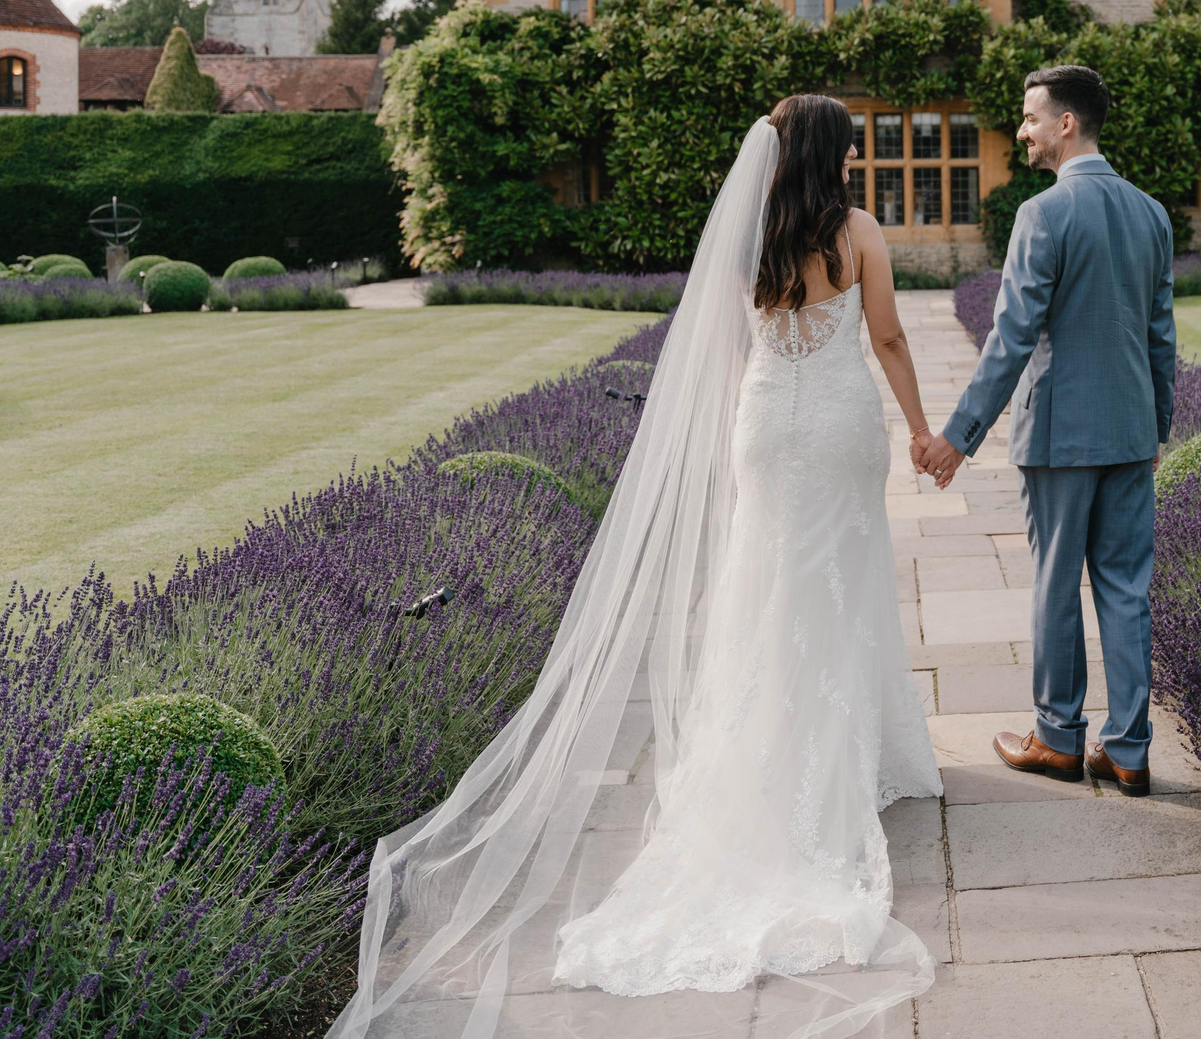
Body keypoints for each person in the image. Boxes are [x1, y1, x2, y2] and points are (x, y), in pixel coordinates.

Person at [329, 95, 945, 1039]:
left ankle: (773, 746)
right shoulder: (854, 229)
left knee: (765, 587)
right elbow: (889, 337)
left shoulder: (753, 233)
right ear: (837, 153)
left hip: (765, 427)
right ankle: (838, 762)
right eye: (853, 145)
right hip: (835, 426)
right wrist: (920, 426)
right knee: (839, 584)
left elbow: (726, 350)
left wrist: (750, 421)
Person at [917, 65, 1176, 799]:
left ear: (1067, 123)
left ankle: (1058, 738)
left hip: (1062, 435)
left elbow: (1011, 336)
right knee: (1127, 590)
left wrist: (957, 437)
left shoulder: (1044, 214)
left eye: (1031, 117)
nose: (1022, 130)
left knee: (1058, 583)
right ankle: (1127, 749)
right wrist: (1156, 423)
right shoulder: (1152, 213)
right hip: (1130, 433)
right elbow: (1162, 335)